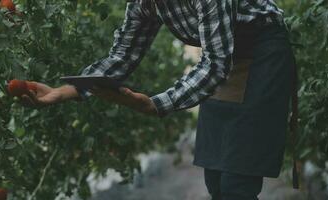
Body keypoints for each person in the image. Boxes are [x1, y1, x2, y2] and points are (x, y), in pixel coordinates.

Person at [21, 0, 296, 199]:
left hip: (262, 53)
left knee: (238, 181)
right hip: (225, 56)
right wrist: (67, 91)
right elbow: (122, 54)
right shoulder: (145, 2)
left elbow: (214, 65)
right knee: (216, 178)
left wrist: (156, 104)